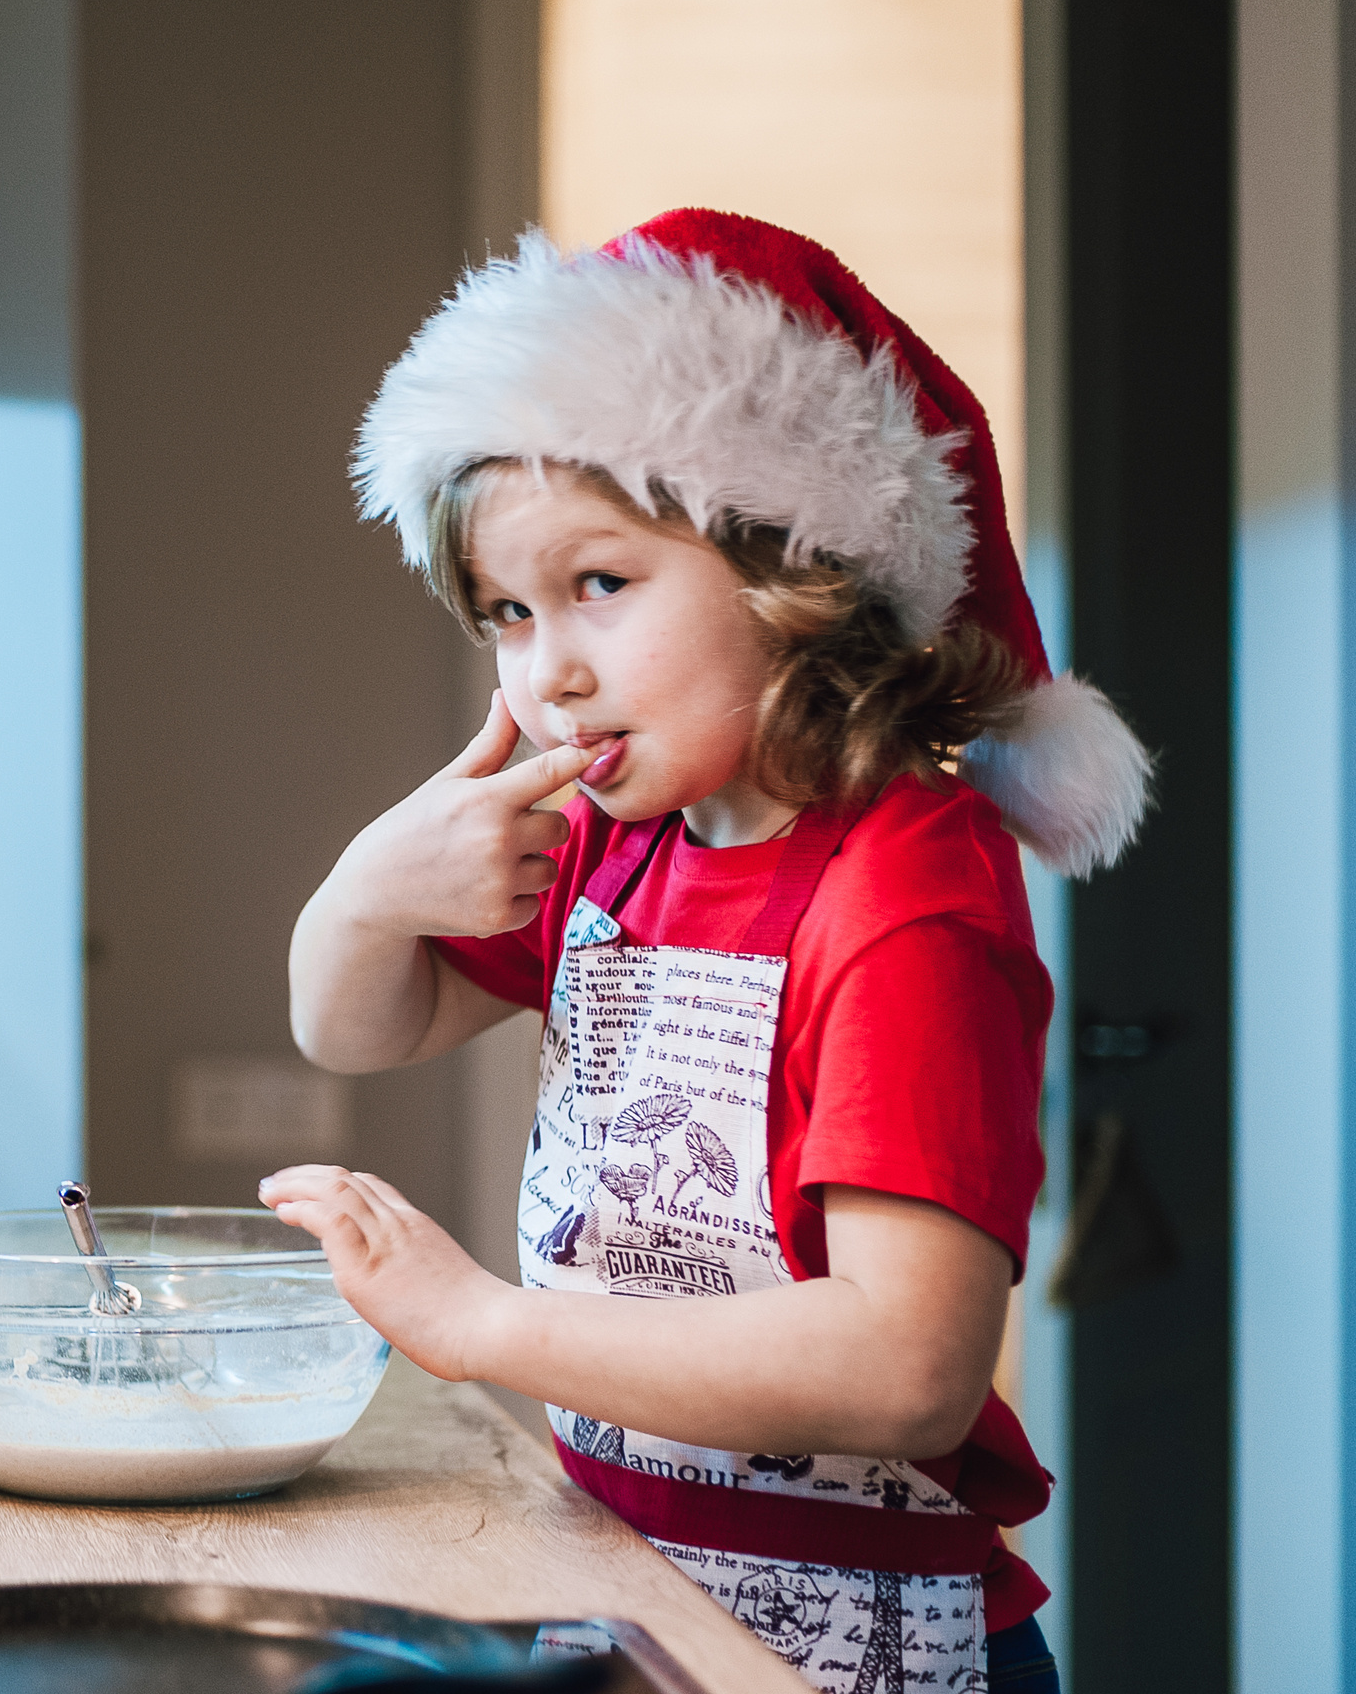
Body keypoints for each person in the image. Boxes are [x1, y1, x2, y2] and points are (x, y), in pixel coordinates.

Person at [265, 210, 1147, 1693]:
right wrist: (363, 896)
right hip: (638, 1582)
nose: (549, 668)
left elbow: (908, 1366)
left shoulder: (906, 893)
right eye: (505, 611)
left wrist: (485, 1324)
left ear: (792, 568)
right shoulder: (627, 844)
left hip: (870, 1644)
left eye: (599, 584)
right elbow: (360, 1029)